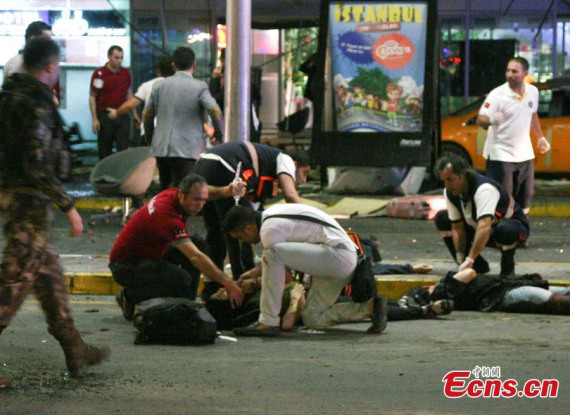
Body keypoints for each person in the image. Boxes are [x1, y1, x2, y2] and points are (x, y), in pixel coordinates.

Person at [0, 37, 109, 378]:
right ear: (50, 67)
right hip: (29, 200)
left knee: (48, 276)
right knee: (15, 280)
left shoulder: (9, 97)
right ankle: (74, 346)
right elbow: (35, 163)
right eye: (58, 66)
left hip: (15, 195)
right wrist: (68, 206)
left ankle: (74, 346)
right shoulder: (34, 103)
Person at [223, 204, 388, 337]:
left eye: (240, 237)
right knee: (312, 318)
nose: (243, 242)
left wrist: (253, 282)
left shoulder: (268, 231)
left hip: (336, 256)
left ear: (249, 228)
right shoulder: (272, 213)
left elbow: (283, 273)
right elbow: (282, 260)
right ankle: (370, 308)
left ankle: (268, 321)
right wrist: (253, 273)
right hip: (340, 259)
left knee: (271, 254)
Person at [109, 174, 244, 321]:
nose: (200, 205)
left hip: (150, 254)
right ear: (182, 194)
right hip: (126, 266)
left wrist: (226, 191)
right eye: (196, 200)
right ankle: (130, 297)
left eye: (203, 200)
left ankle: (188, 304)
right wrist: (227, 282)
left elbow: (204, 192)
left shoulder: (174, 194)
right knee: (181, 279)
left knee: (198, 242)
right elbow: (195, 256)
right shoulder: (166, 215)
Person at [194, 143, 311, 293]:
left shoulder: (263, 170)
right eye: (305, 172)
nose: (304, 180)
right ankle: (241, 285)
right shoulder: (285, 159)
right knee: (240, 231)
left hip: (202, 165)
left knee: (216, 233)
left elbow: (252, 206)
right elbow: (290, 195)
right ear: (295, 165)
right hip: (223, 166)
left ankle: (211, 287)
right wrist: (309, 220)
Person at [476, 57, 551, 216]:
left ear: (525, 73)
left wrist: (540, 137)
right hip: (500, 155)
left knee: (526, 196)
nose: (510, 74)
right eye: (508, 71)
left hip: (524, 155)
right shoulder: (497, 94)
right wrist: (491, 120)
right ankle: (501, 236)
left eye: (514, 71)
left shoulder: (533, 91)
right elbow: (480, 119)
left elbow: (532, 114)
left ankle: (519, 233)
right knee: (504, 199)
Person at [433, 155, 529, 277]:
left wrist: (470, 259)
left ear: (462, 175)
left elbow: (484, 227)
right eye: (444, 180)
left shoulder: (484, 189)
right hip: (479, 228)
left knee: (505, 229)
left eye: (450, 179)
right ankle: (478, 266)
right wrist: (460, 256)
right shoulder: (450, 192)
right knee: (442, 218)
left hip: (511, 229)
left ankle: (507, 267)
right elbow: (457, 227)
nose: (446, 185)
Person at [143, 46, 223, 190]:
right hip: (187, 150)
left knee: (166, 191)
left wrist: (152, 139)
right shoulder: (199, 87)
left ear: (173, 66)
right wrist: (219, 134)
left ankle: (167, 213)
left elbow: (146, 115)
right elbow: (214, 110)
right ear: (194, 65)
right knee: (184, 192)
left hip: (161, 148)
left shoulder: (159, 86)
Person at [421, 269, 570, 315]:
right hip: (505, 293)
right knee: (554, 299)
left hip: (504, 290)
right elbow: (470, 273)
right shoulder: (443, 289)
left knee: (559, 294)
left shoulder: (447, 296)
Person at [106, 55, 174, 144]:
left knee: (148, 157)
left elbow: (130, 104)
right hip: (174, 135)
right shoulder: (182, 87)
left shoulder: (148, 85)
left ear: (158, 70)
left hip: (151, 133)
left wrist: (116, 112)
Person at [89, 45, 133, 160]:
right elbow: (93, 97)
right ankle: (103, 176)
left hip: (122, 115)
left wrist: (134, 114)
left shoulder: (125, 73)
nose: (119, 60)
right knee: (104, 150)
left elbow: (129, 94)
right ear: (109, 56)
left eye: (121, 58)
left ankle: (122, 176)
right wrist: (95, 119)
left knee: (123, 150)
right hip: (105, 116)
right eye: (116, 57)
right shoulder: (99, 73)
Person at [2, 21, 52, 85]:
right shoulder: (20, 64)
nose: (50, 45)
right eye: (47, 40)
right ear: (33, 40)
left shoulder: (14, 61)